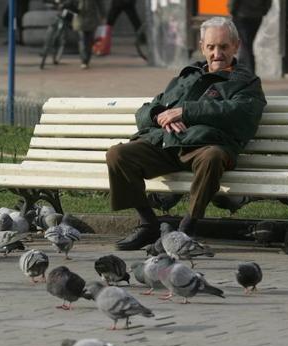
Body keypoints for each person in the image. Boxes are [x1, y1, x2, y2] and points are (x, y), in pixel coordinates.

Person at [105, 17, 267, 250]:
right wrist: (159, 115)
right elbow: (146, 110)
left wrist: (185, 112)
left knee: (213, 156)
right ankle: (148, 224)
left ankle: (187, 228)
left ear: (236, 46)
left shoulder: (245, 82)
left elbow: (241, 115)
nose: (217, 53)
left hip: (206, 148)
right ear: (202, 47)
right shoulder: (187, 76)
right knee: (118, 154)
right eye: (211, 47)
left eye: (223, 46)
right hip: (167, 145)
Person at [229, 0, 272, 73]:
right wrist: (264, 10)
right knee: (247, 44)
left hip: (241, 14)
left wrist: (232, 10)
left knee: (246, 44)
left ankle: (248, 70)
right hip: (256, 15)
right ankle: (242, 68)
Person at [73, 0, 105, 69]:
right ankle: (84, 61)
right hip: (80, 17)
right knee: (82, 40)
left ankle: (86, 59)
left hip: (91, 18)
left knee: (90, 40)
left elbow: (100, 4)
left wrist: (103, 15)